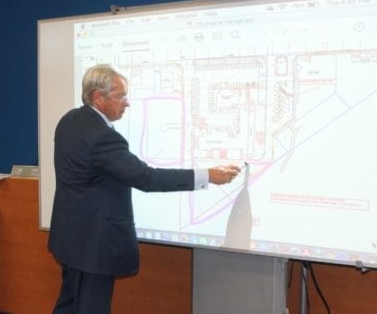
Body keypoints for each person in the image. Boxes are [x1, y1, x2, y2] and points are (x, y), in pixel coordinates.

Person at [48, 64, 242, 314]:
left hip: (70, 237)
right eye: (120, 96)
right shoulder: (102, 136)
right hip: (93, 244)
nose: (126, 103)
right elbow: (146, 178)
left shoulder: (70, 120)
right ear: (98, 97)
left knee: (69, 304)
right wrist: (207, 176)